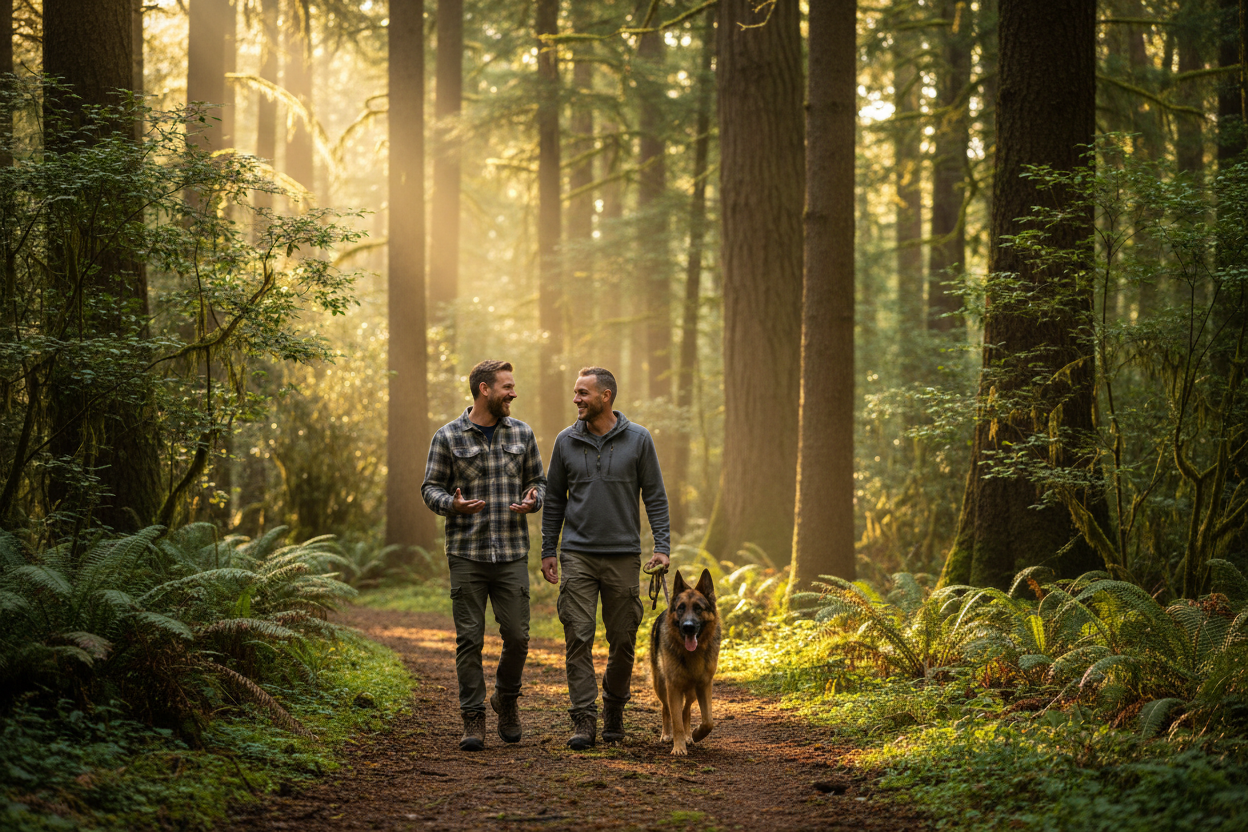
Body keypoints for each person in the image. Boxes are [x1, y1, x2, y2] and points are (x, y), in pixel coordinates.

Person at [541, 366, 670, 749]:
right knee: (578, 636)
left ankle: (614, 708)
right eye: (575, 392)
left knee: (623, 639)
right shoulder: (565, 441)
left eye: (583, 393)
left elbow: (655, 496)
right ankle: (584, 718)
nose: (576, 399)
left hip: (623, 556)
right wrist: (549, 550)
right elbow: (554, 500)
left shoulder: (639, 439)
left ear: (605, 396)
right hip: (577, 554)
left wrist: (661, 547)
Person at [422, 359, 545, 751]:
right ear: (484, 389)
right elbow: (430, 488)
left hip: (511, 552)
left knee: (518, 637)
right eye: (507, 387)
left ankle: (506, 699)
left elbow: (538, 480)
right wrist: (452, 505)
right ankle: (473, 718)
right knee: (469, 640)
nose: (513, 393)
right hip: (466, 553)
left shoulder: (522, 433)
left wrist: (534, 498)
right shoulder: (447, 436)